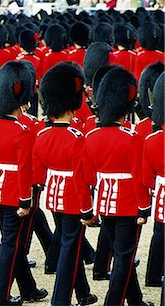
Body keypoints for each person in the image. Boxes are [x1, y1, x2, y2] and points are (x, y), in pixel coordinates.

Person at [83, 66, 153, 306]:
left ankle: (135, 299)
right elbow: (139, 176)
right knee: (124, 257)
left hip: (104, 201)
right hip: (128, 204)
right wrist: (144, 207)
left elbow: (89, 176)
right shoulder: (131, 138)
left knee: (121, 253)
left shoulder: (91, 136)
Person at [34, 62, 97, 306]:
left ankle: (83, 293)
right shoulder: (76, 138)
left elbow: (39, 175)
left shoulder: (42, 135)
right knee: (70, 247)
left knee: (72, 242)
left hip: (53, 196)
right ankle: (61, 299)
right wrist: (87, 210)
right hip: (72, 197)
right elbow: (82, 179)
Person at [0, 60, 47, 306]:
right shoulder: (22, 130)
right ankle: (1, 297)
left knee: (14, 242)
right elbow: (23, 168)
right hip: (14, 193)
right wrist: (25, 199)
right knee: (11, 244)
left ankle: (28, 288)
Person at [143, 72, 164, 289]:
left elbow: (147, 176)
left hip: (160, 193)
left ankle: (152, 275)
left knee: (159, 233)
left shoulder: (152, 140)